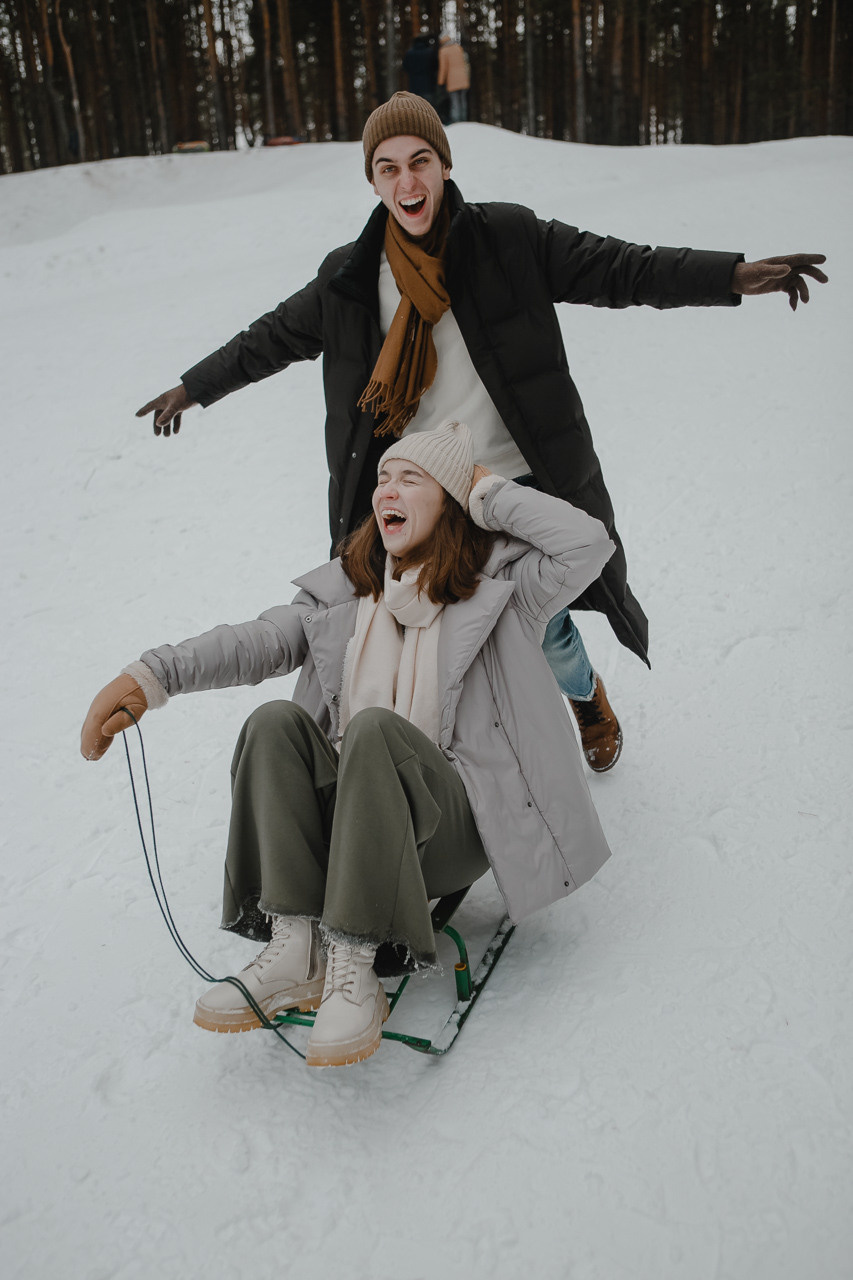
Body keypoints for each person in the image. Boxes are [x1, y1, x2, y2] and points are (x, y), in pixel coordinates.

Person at [136, 93, 827, 775]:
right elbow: (270, 339)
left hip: (514, 480)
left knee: (539, 625)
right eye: (388, 167)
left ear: (443, 165)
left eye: (420, 161)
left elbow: (623, 267)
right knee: (431, 630)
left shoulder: (509, 240)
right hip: (428, 489)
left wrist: (730, 276)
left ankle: (583, 699)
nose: (407, 182)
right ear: (373, 181)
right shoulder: (348, 280)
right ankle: (452, 764)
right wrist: (193, 387)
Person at [80, 421, 616, 1068]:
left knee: (373, 732)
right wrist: (151, 676)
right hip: (353, 821)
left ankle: (355, 966)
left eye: (411, 478)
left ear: (448, 499)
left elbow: (586, 543)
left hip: (448, 831)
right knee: (274, 723)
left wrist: (487, 491)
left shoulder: (505, 593)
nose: (386, 488)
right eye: (383, 477)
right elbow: (254, 641)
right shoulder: (344, 590)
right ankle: (297, 948)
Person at [437, 32, 470, 124]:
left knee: (454, 101)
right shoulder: (458, 47)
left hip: (452, 80)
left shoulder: (443, 51)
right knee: (462, 100)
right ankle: (464, 119)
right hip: (463, 78)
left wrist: (440, 82)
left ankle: (456, 121)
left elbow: (443, 68)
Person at [402, 31, 438, 104]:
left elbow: (405, 67)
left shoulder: (409, 53)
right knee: (429, 108)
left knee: (416, 109)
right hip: (428, 85)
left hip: (414, 86)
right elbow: (436, 67)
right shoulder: (430, 52)